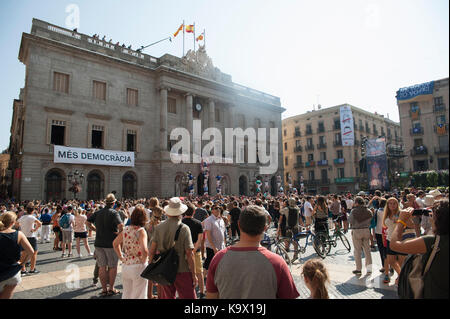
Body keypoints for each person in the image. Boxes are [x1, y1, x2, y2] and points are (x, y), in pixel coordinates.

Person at [206, 205, 299, 299]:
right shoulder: (277, 262)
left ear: (239, 225)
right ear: (265, 228)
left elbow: (211, 297)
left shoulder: (218, 259)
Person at [390, 200, 448, 298]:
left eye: (431, 216)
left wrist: (401, 221)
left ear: (438, 219)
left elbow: (394, 245)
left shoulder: (431, 242)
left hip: (433, 293)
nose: (430, 219)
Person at [148, 197, 197, 299]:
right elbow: (189, 253)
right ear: (180, 212)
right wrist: (194, 274)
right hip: (182, 269)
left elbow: (152, 251)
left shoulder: (159, 228)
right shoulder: (184, 228)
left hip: (165, 269)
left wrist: (152, 270)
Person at [86, 194, 124, 297]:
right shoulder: (114, 213)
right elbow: (121, 225)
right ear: (113, 203)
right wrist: (119, 234)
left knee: (101, 266)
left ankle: (104, 289)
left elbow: (87, 222)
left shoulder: (98, 212)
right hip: (111, 243)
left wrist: (95, 229)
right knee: (112, 266)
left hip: (99, 243)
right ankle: (111, 288)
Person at [113, 205, 149, 299]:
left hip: (126, 264)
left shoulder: (126, 229)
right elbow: (144, 250)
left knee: (127, 294)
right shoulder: (141, 231)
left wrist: (121, 257)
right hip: (138, 264)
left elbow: (115, 243)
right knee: (139, 294)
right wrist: (144, 261)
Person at [0, 212, 34, 299]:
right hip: (12, 271)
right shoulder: (19, 234)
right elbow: (31, 252)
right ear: (13, 222)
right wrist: (22, 263)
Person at [182, 203, 205, 298]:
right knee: (199, 272)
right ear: (194, 212)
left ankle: (185, 292)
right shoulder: (198, 223)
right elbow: (200, 239)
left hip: (184, 251)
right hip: (196, 251)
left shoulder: (181, 223)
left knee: (184, 273)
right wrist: (194, 250)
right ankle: (202, 292)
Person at [382, 197, 406, 284]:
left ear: (397, 204)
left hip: (400, 239)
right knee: (391, 260)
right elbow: (385, 226)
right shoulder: (387, 214)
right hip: (389, 239)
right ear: (387, 205)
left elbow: (408, 225)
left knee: (401, 261)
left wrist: (400, 222)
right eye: (390, 203)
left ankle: (401, 277)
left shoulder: (401, 213)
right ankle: (402, 275)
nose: (392, 205)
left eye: (394, 203)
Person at [348, 196, 373, 275]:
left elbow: (350, 220)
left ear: (357, 203)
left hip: (357, 231)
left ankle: (359, 269)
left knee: (357, 250)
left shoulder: (354, 211)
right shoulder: (368, 211)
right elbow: (370, 220)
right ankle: (369, 269)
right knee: (367, 250)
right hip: (366, 230)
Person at [17, 203, 41, 275]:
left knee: (23, 253)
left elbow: (17, 224)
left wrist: (21, 229)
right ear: (33, 210)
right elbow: (39, 223)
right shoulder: (32, 217)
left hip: (24, 236)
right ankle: (32, 269)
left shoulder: (22, 217)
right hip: (31, 236)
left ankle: (23, 270)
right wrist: (34, 229)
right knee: (34, 253)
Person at [203, 205, 227, 277]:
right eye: (216, 208)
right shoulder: (209, 220)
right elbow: (208, 234)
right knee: (209, 262)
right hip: (212, 246)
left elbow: (223, 233)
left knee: (220, 262)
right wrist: (213, 247)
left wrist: (225, 244)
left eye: (219, 208)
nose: (218, 210)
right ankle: (203, 276)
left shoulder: (221, 220)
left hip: (221, 246)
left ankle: (217, 276)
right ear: (212, 210)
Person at [145, 205, 163, 299]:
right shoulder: (161, 225)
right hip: (159, 251)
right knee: (159, 275)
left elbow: (147, 238)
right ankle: (160, 296)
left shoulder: (148, 224)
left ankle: (149, 295)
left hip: (150, 250)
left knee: (150, 274)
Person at [374, 198, 387, 272]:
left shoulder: (378, 211)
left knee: (382, 250)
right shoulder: (388, 211)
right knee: (388, 249)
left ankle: (384, 266)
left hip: (379, 231)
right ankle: (390, 265)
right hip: (387, 231)